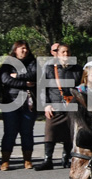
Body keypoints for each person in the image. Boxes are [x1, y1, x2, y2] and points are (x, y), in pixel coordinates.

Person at [35, 43, 81, 171]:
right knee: (50, 133)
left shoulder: (77, 68)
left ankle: (66, 158)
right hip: (54, 106)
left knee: (69, 134)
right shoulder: (50, 68)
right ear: (57, 54)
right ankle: (47, 159)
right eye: (63, 52)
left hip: (71, 106)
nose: (66, 55)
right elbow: (42, 87)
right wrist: (46, 105)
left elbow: (81, 87)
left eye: (68, 52)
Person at [0, 41, 37, 171]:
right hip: (11, 101)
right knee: (10, 132)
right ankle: (5, 160)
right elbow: (5, 79)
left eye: (26, 48)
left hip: (28, 102)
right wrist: (25, 84)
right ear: (15, 50)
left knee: (27, 132)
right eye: (21, 48)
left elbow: (34, 75)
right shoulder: (7, 63)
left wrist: (17, 76)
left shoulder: (33, 62)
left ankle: (27, 159)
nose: (24, 51)